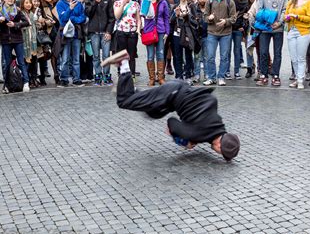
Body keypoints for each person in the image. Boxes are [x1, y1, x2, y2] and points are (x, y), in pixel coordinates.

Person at [102, 50, 240, 162]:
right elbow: (172, 123)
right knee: (124, 101)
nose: (217, 153)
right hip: (170, 94)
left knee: (153, 113)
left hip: (179, 90)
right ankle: (124, 63)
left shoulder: (218, 125)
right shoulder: (199, 133)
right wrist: (183, 141)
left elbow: (209, 102)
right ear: (219, 146)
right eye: (221, 153)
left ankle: (134, 93)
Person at [251, 0, 288, 86]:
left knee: (277, 53)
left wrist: (279, 22)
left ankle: (276, 75)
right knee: (263, 52)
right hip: (265, 28)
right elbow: (259, 10)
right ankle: (263, 75)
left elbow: (285, 9)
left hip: (278, 28)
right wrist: (269, 21)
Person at [0, 0, 30, 93]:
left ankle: (26, 82)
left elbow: (26, 22)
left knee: (21, 61)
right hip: (5, 39)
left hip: (17, 39)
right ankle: (6, 85)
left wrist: (15, 24)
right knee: (7, 62)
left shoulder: (17, 11)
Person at [203, 0, 237, 86]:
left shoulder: (229, 2)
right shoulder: (209, 1)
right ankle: (211, 77)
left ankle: (221, 77)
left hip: (226, 33)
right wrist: (209, 18)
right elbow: (204, 17)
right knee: (210, 56)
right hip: (212, 33)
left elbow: (233, 18)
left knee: (224, 57)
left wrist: (226, 21)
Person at [284, 0, 310, 89]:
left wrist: (297, 17)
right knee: (294, 58)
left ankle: (300, 80)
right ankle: (297, 78)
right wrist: (287, 18)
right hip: (291, 31)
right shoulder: (291, 2)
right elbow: (285, 15)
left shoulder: (309, 2)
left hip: (303, 31)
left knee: (301, 57)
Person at [84, 0, 115, 86]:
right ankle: (97, 76)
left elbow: (112, 17)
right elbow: (88, 13)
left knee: (106, 55)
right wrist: (95, 3)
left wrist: (109, 32)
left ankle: (106, 76)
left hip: (105, 32)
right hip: (94, 32)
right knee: (96, 56)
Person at [56, 0, 87, 87]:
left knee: (76, 58)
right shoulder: (60, 4)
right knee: (65, 58)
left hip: (76, 34)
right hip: (65, 34)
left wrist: (73, 19)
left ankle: (76, 79)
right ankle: (64, 79)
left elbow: (82, 17)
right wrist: (70, 9)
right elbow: (62, 20)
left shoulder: (78, 3)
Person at [141, 0, 170, 86]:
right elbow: (142, 15)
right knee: (150, 55)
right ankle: (152, 78)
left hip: (161, 30)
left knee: (160, 54)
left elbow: (167, 18)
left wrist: (167, 31)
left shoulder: (163, 3)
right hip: (149, 30)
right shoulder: (145, 1)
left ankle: (161, 77)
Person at [113, 0, 141, 81]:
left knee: (131, 54)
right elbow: (117, 16)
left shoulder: (135, 4)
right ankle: (123, 74)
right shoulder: (117, 3)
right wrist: (123, 4)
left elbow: (138, 18)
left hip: (132, 31)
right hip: (121, 30)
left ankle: (132, 74)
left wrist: (138, 29)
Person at [171, 0, 199, 84]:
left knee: (188, 54)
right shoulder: (175, 6)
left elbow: (196, 20)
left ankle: (188, 75)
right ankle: (179, 75)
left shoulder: (191, 6)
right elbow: (170, 21)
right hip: (177, 32)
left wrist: (188, 17)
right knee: (177, 54)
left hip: (188, 32)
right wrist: (176, 15)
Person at [228, 0, 249, 80]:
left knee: (237, 51)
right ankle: (227, 71)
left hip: (238, 30)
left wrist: (243, 27)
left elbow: (246, 17)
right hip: (228, 29)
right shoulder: (230, 1)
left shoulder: (246, 3)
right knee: (226, 51)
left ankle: (236, 71)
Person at [20, 0, 40, 88]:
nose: (28, 5)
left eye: (29, 3)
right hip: (25, 41)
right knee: (26, 62)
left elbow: (36, 26)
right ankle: (25, 80)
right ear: (23, 4)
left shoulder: (32, 14)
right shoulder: (20, 14)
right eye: (26, 3)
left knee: (34, 62)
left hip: (33, 41)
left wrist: (39, 23)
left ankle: (34, 79)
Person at [163, 0, 179, 76]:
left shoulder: (177, 0)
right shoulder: (162, 0)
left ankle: (177, 73)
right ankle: (161, 73)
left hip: (175, 28)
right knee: (163, 51)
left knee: (175, 51)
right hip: (164, 29)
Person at [193, 0, 209, 83]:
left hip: (207, 35)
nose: (202, 0)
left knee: (206, 56)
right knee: (197, 57)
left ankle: (207, 74)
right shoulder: (195, 9)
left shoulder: (209, 9)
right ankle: (197, 75)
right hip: (197, 36)